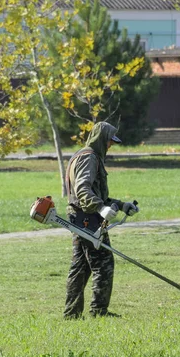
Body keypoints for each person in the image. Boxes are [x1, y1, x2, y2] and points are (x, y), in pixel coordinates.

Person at [63, 121, 139, 319]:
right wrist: (100, 208)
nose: (110, 146)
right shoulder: (89, 158)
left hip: (80, 216)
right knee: (104, 262)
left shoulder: (85, 155)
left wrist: (122, 205)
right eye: (109, 142)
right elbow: (82, 190)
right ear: (101, 139)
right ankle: (99, 311)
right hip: (87, 217)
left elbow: (96, 194)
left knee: (80, 267)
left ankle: (71, 314)